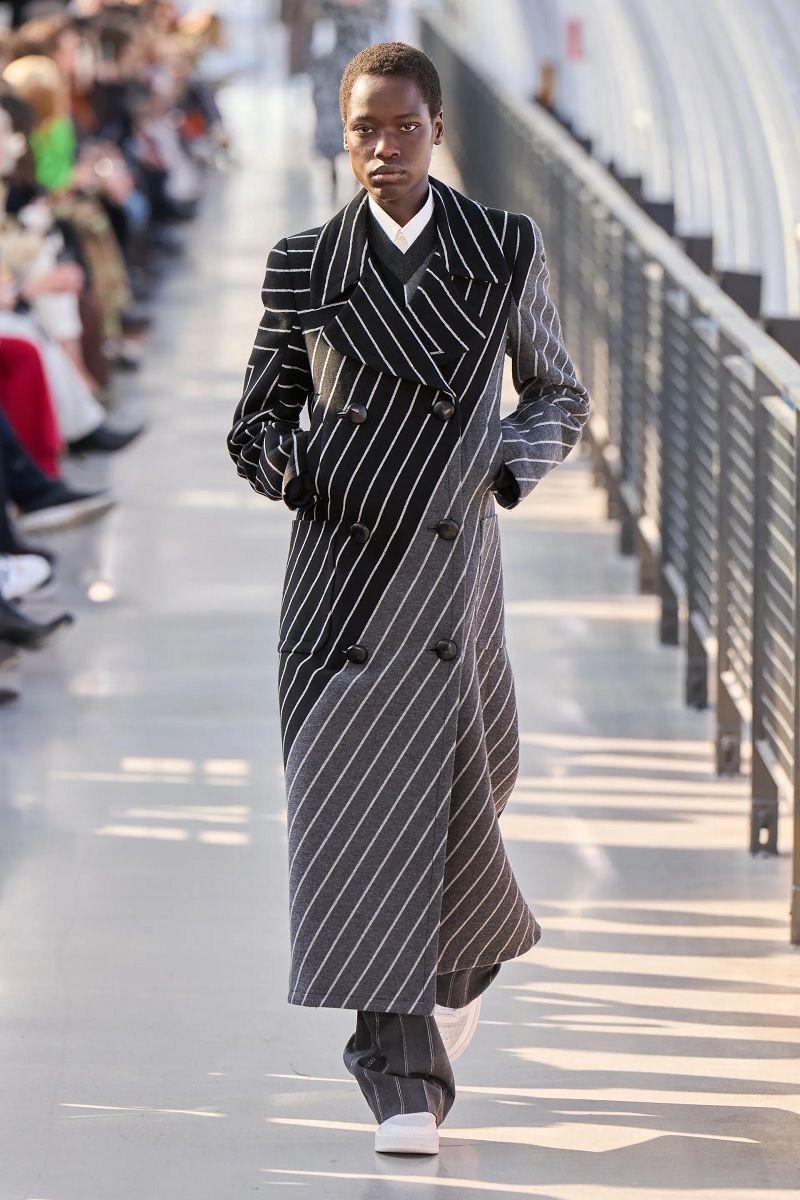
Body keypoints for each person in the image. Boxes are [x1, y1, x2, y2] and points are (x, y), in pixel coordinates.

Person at [226, 41, 591, 1155]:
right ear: (344, 140)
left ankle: (454, 971)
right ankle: (400, 1082)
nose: (383, 148)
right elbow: (254, 424)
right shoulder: (304, 263)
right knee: (355, 818)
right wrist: (312, 471)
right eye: (363, 130)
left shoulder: (501, 246)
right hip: (339, 588)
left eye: (402, 127)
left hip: (449, 576)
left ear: (437, 128)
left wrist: (496, 466)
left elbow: (557, 395)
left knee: (472, 793)